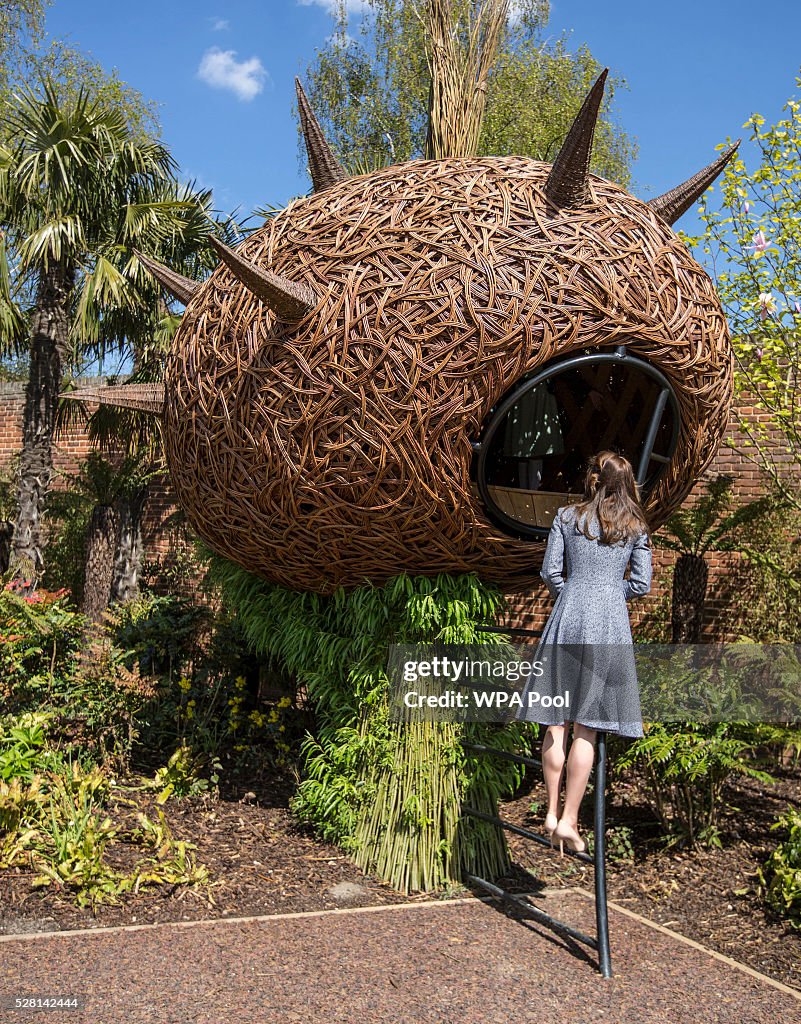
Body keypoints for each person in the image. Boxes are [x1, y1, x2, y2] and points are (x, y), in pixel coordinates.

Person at [516, 450, 653, 856]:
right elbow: (642, 584)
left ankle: (550, 810)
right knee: (587, 727)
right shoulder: (635, 527)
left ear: (594, 478)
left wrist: (571, 596)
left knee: (555, 721)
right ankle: (570, 820)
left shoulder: (566, 517)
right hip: (607, 625)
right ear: (628, 483)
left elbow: (549, 572)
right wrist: (611, 594)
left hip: (567, 617)